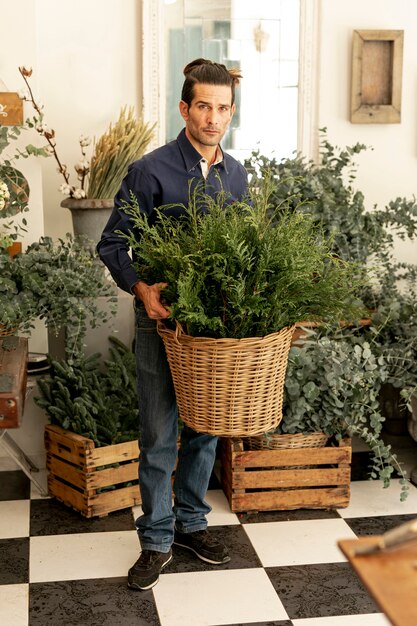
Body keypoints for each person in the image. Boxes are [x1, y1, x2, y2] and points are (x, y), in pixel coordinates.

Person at [97, 58, 248, 591]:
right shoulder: (150, 170)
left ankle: (191, 524)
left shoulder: (237, 173)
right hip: (160, 325)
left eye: (223, 107)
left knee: (205, 430)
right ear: (184, 108)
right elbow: (112, 242)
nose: (213, 118)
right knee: (160, 433)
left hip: (212, 330)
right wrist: (141, 287)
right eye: (203, 106)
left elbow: (244, 252)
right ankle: (156, 539)